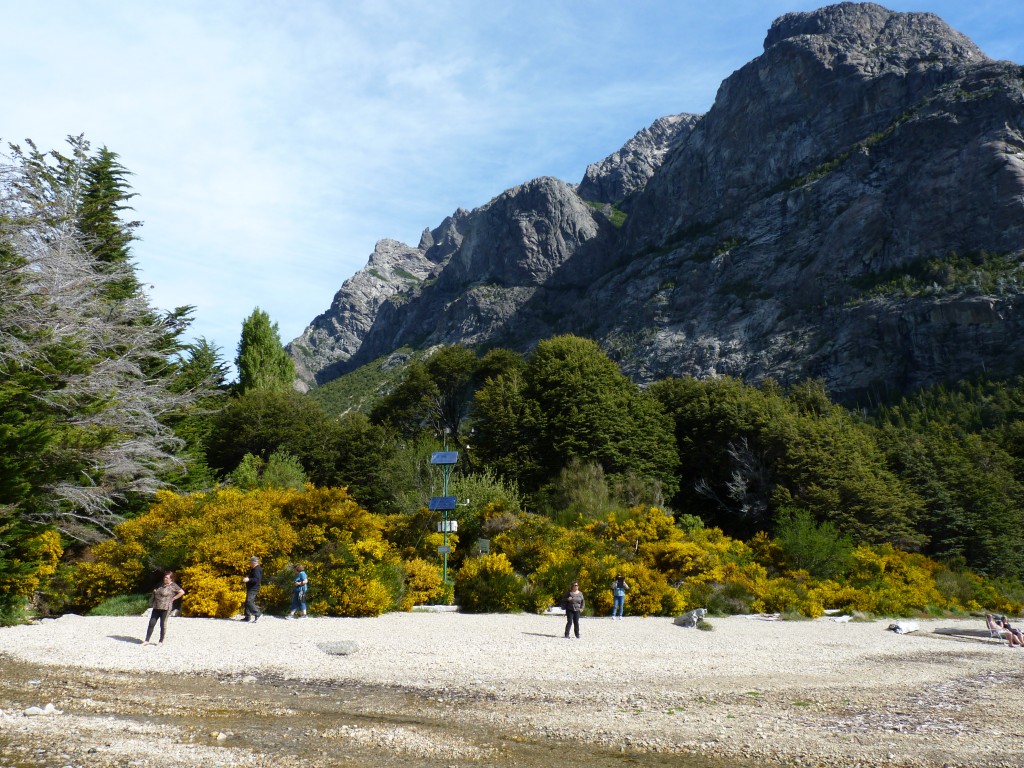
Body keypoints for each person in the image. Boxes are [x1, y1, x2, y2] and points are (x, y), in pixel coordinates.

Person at [143, 571, 185, 645]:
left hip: (165, 608)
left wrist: (174, 598)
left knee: (162, 624)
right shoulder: (160, 584)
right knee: (151, 623)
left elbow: (182, 592)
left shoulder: (173, 585)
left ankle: (161, 641)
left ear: (171, 579)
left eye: (167, 577)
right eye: (164, 577)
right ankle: (146, 640)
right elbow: (155, 591)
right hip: (156, 606)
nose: (165, 578)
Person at [241, 556, 263, 622]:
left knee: (249, 601)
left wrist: (248, 579)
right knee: (247, 601)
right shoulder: (254, 569)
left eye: (250, 562)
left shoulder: (257, 569)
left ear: (253, 562)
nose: (249, 564)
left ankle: (258, 614)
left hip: (254, 588)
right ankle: (247, 617)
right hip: (251, 587)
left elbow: (256, 579)